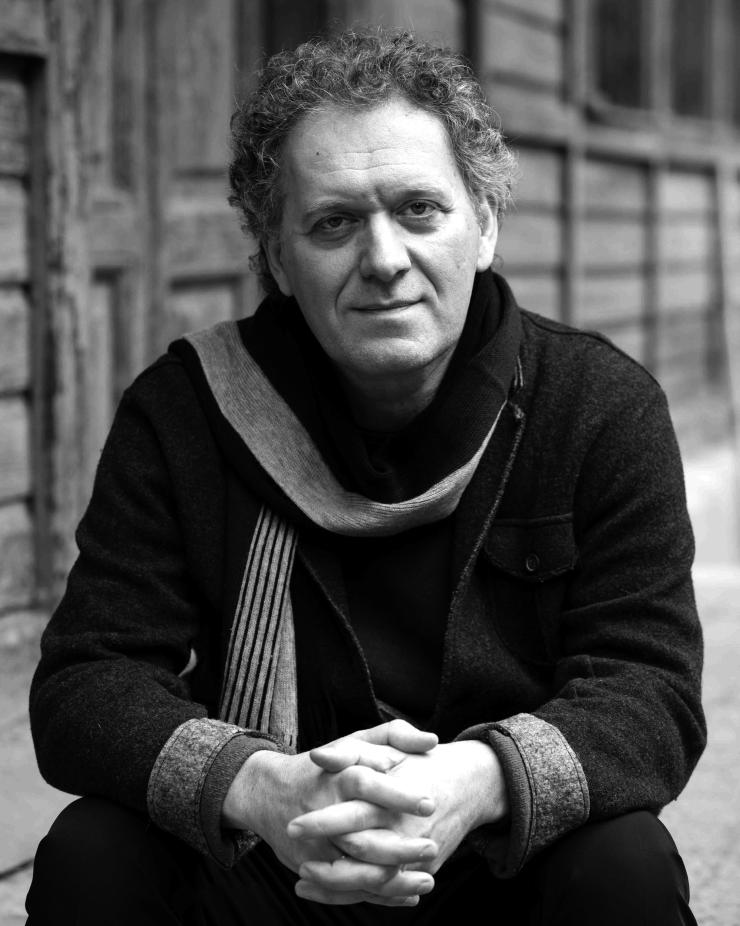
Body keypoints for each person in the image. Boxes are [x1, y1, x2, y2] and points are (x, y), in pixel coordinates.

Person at [26, 28, 705, 925]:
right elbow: (85, 682)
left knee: (625, 862)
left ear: (485, 225)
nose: (384, 259)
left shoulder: (597, 407)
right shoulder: (189, 409)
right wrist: (261, 787)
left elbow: (650, 688)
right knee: (93, 853)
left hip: (492, 855)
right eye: (334, 223)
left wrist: (478, 779)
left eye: (419, 209)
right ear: (276, 258)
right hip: (270, 852)